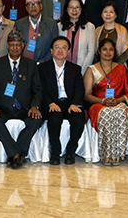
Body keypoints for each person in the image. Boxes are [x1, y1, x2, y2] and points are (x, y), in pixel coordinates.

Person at [0, 30, 43, 169]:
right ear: (7, 46)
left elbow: (37, 90)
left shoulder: (31, 65)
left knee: (36, 119)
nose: (15, 48)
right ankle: (17, 153)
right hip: (4, 108)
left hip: (24, 108)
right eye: (12, 45)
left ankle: (15, 154)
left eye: (18, 45)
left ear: (22, 46)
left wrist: (35, 106)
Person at [84, 38, 128, 166]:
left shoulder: (121, 68)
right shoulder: (91, 69)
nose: (108, 52)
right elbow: (87, 95)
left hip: (118, 102)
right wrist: (103, 100)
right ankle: (106, 154)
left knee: (121, 112)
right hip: (98, 103)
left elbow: (127, 93)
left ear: (115, 52)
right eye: (105, 49)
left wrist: (117, 100)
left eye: (111, 49)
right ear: (99, 51)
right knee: (106, 113)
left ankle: (117, 154)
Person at [39, 36, 85, 165]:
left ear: (69, 51)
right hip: (52, 103)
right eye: (57, 47)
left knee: (78, 120)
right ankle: (55, 151)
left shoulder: (75, 69)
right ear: (51, 50)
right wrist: (50, 103)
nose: (60, 50)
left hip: (70, 103)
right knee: (54, 119)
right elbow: (40, 89)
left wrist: (74, 103)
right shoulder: (42, 68)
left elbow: (79, 89)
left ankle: (71, 151)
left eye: (64, 48)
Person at [14, 0, 57, 64]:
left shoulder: (51, 24)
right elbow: (15, 46)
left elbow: (54, 46)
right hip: (24, 64)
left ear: (41, 6)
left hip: (45, 64)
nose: (33, 7)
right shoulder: (19, 24)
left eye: (36, 4)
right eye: (30, 4)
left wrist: (42, 62)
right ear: (26, 8)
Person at [58, 0, 96, 75]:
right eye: (71, 7)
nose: (74, 10)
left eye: (77, 7)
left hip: (83, 71)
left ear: (81, 9)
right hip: (61, 71)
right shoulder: (59, 26)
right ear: (66, 9)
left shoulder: (90, 27)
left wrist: (80, 71)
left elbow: (91, 52)